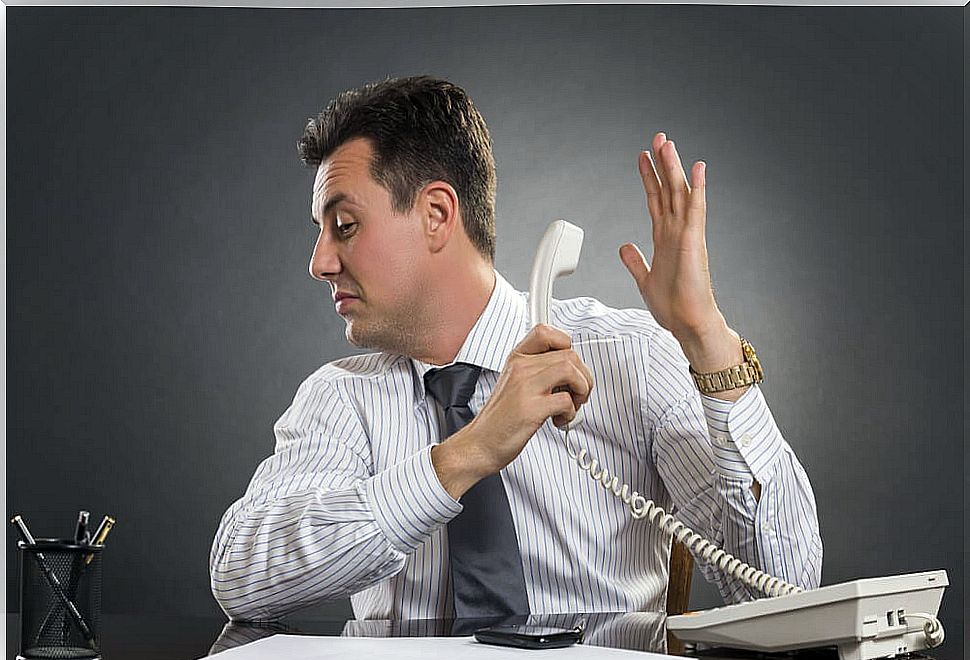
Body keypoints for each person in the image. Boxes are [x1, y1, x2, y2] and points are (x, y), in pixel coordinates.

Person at [209, 76, 822, 622]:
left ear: (436, 213)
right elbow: (240, 579)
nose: (319, 263)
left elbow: (787, 591)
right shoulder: (339, 396)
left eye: (343, 226)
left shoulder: (631, 357)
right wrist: (465, 455)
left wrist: (705, 336)